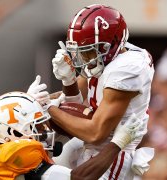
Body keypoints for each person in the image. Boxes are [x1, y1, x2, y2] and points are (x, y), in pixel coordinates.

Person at [47, 4, 154, 179]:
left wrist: (50, 109)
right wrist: (68, 81)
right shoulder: (108, 58)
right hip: (90, 144)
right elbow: (74, 104)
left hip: (112, 154)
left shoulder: (126, 69)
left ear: (110, 46)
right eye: (80, 52)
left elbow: (95, 132)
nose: (83, 59)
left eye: (88, 51)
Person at [0, 91, 144, 180]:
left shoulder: (10, 148)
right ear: (13, 133)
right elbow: (80, 178)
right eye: (37, 127)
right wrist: (117, 143)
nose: (45, 131)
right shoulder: (19, 152)